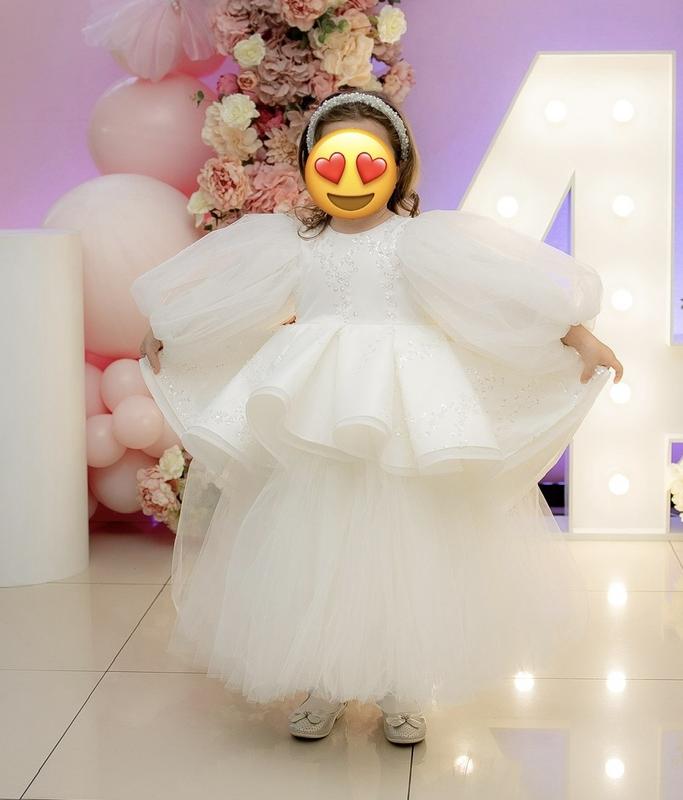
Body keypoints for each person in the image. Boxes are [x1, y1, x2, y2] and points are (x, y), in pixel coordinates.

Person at [131, 89, 623, 746]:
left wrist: (574, 333)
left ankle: (400, 682)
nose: (350, 179)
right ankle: (323, 678)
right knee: (313, 543)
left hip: (402, 411)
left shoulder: (419, 242)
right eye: (331, 164)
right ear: (309, 168)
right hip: (314, 413)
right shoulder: (293, 245)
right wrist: (173, 329)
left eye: (369, 163)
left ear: (398, 168)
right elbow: (231, 298)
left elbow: (496, 293)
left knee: (403, 543)